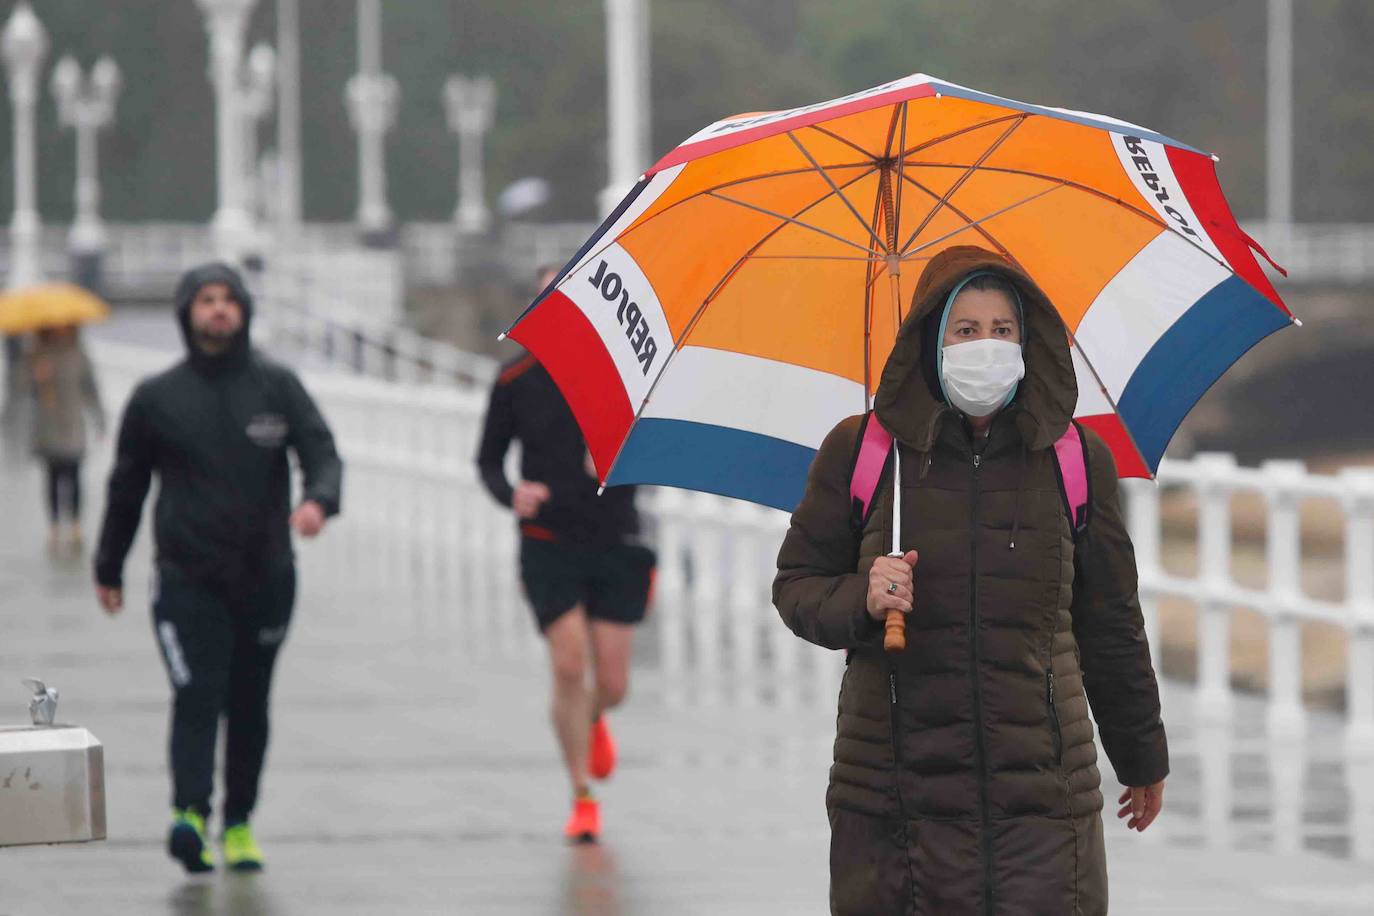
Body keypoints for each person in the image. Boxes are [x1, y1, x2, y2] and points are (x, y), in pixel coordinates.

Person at [773, 246, 1168, 915]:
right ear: (931, 342)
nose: (985, 346)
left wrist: (1141, 755)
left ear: (1026, 340)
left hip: (1044, 805)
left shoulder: (1075, 460)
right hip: (894, 802)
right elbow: (797, 586)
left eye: (1002, 330)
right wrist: (864, 596)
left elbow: (1110, 622)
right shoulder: (864, 451)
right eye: (966, 330)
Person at [93, 262, 343, 874]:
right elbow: (126, 488)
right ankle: (189, 814)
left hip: (267, 576)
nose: (219, 310)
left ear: (244, 310)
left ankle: (238, 823)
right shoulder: (156, 399)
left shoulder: (277, 387)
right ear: (186, 312)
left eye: (229, 299)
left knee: (250, 702)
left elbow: (322, 453)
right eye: (206, 300)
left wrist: (318, 501)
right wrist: (108, 566)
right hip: (185, 579)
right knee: (197, 691)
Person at [476, 266, 656, 844]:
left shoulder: (627, 379)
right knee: (568, 666)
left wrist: (619, 459)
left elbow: (659, 452)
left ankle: (595, 716)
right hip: (548, 541)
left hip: (617, 539)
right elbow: (487, 460)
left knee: (613, 683)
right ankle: (582, 796)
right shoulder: (516, 380)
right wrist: (513, 494)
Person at [20, 324, 105, 553]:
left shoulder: (78, 352)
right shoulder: (35, 353)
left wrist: (100, 420)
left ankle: (75, 524)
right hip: (47, 426)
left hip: (72, 425)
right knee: (52, 477)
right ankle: (55, 525)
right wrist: (37, 377)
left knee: (74, 474)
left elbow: (90, 388)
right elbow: (19, 389)